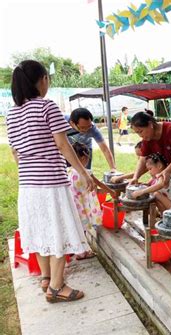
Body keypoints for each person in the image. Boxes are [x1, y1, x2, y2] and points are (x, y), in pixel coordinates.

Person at [7, 60, 94, 302]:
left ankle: (46, 278)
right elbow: (63, 145)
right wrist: (84, 173)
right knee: (58, 229)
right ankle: (57, 287)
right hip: (51, 183)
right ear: (42, 80)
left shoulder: (12, 113)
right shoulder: (47, 107)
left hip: (28, 185)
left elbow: (15, 152)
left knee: (41, 230)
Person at [68, 142, 117, 260]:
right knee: (83, 228)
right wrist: (112, 192)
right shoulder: (87, 173)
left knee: (74, 227)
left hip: (71, 205)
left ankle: (72, 249)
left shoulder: (68, 171)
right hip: (82, 206)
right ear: (84, 158)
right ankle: (82, 252)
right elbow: (99, 185)